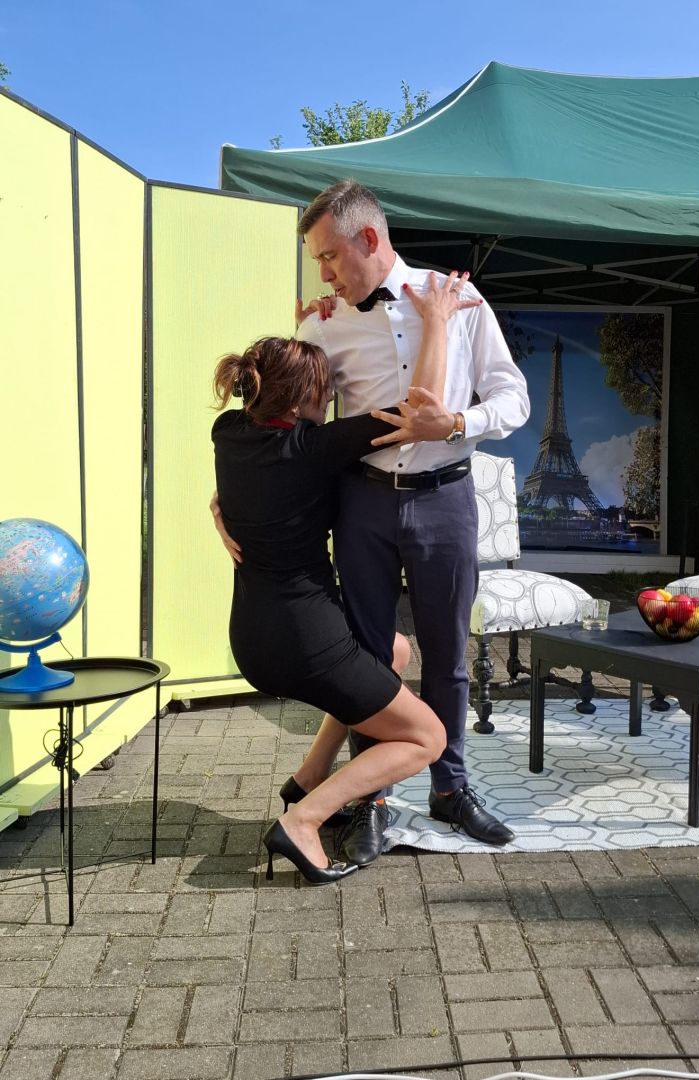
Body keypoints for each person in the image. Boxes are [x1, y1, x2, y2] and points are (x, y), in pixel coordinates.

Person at [293, 180, 531, 866]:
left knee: (447, 655)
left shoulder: (460, 299)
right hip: (361, 502)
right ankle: (368, 799)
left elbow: (513, 397)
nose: (324, 274)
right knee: (366, 660)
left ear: (369, 238)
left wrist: (457, 422)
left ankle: (449, 788)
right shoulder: (323, 323)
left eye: (328, 256)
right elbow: (298, 428)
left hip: (446, 498)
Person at [212, 272, 477, 884]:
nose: (333, 396)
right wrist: (437, 320)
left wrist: (304, 333)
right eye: (325, 388)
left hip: (251, 637)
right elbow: (419, 412)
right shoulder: (316, 447)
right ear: (301, 400)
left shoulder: (227, 434)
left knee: (394, 652)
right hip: (309, 642)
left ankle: (307, 777)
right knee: (427, 738)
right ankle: (305, 820)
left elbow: (244, 475)